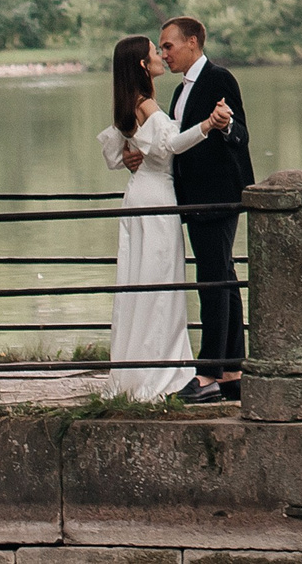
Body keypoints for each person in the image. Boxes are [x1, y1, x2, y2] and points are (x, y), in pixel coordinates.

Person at [96, 34, 229, 401]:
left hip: (139, 194)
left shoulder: (130, 103)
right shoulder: (147, 104)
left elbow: (116, 153)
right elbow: (170, 144)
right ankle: (162, 373)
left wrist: (129, 153)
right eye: (156, 51)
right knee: (160, 285)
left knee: (141, 282)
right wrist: (208, 126)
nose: (160, 55)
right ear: (143, 64)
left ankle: (138, 367)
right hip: (156, 197)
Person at [152, 16, 253, 403]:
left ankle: (208, 373)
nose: (165, 54)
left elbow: (241, 134)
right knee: (222, 277)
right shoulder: (180, 93)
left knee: (213, 281)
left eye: (169, 46)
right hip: (195, 199)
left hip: (218, 196)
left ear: (192, 42)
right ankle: (232, 373)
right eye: (161, 48)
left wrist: (225, 126)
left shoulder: (219, 79)